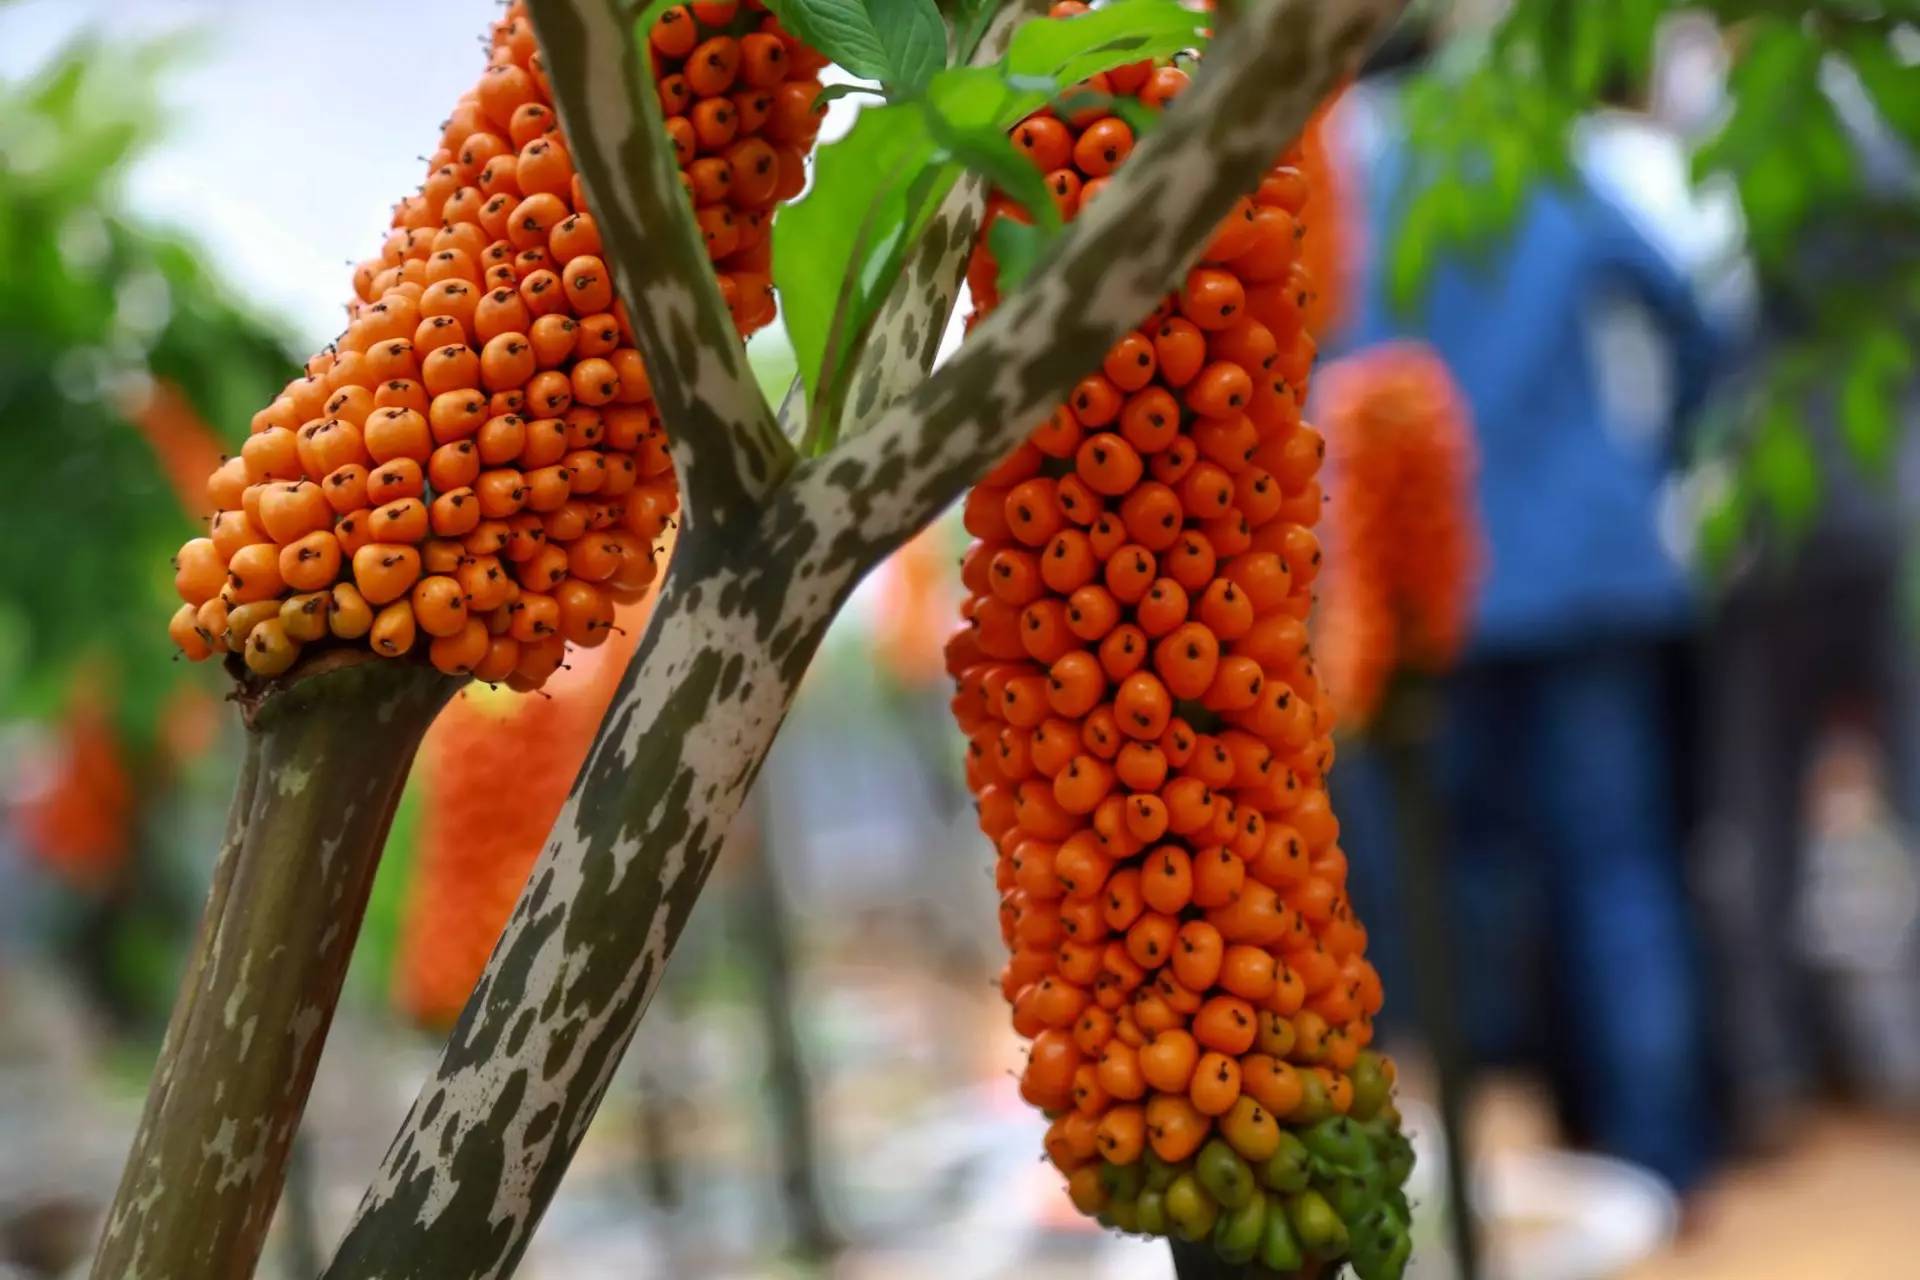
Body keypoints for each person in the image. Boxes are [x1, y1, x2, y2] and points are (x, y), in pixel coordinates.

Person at [1321, 32, 1724, 1193]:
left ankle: (1528, 1158)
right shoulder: (1528, 147)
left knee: (1461, 884)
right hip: (1591, 568)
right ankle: (1660, 1156)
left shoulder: (1329, 188)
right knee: (1617, 870)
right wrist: (1647, 465)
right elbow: (1690, 314)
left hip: (1422, 590)